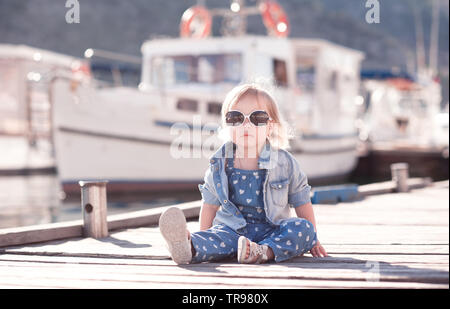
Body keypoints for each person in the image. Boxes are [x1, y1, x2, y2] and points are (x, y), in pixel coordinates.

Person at [159, 82, 328, 264]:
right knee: (218, 237)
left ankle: (263, 252)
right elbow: (209, 206)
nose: (246, 124)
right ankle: (188, 246)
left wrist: (314, 239)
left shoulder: (285, 163)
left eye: (257, 118)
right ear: (226, 125)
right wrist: (204, 234)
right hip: (232, 232)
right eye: (236, 118)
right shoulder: (220, 164)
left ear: (270, 127)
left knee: (303, 228)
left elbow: (302, 201)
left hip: (273, 232)